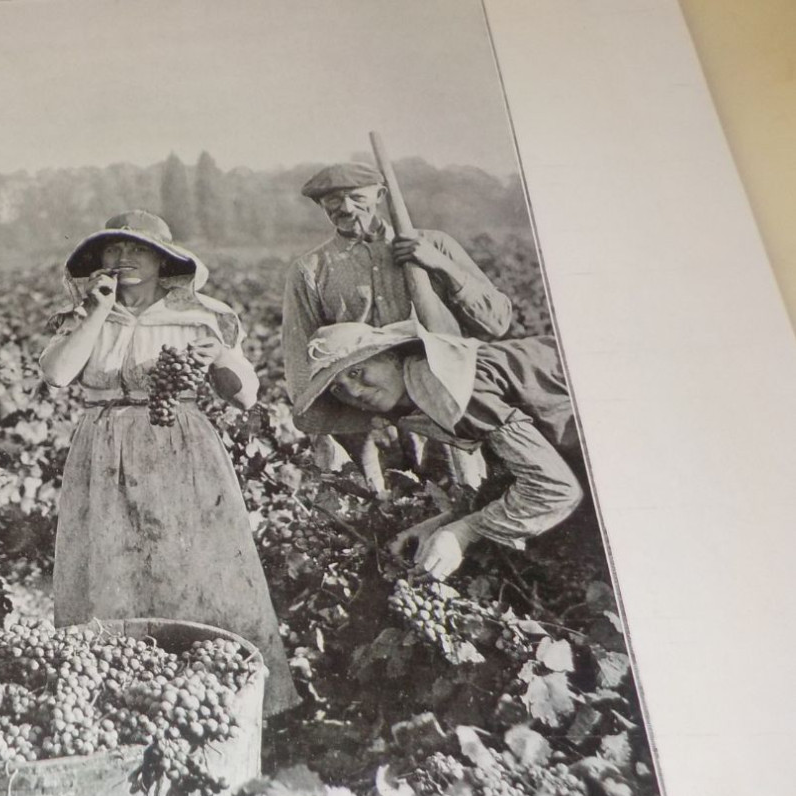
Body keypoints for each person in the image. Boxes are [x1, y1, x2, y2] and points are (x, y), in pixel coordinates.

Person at [40, 211, 299, 717]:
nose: (123, 260)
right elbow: (58, 374)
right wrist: (97, 311)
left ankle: (226, 701)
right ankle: (121, 701)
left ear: (163, 261)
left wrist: (220, 357)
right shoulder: (83, 317)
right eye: (112, 252)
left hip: (179, 447)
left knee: (197, 569)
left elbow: (245, 397)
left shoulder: (200, 316)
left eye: (137, 250)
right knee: (111, 571)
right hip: (104, 451)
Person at [290, 319, 583, 580]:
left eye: (356, 372)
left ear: (391, 356)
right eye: (338, 389)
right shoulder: (418, 392)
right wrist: (447, 520)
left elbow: (555, 487)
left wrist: (466, 531)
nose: (353, 392)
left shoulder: (447, 387)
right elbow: (513, 467)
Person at [282, 162, 514, 490]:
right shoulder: (309, 270)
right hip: (369, 425)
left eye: (355, 197)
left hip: (453, 404)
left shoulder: (435, 245)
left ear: (380, 195)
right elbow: (300, 363)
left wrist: (441, 265)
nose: (345, 208)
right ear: (321, 206)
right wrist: (351, 423)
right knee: (386, 517)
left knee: (470, 496)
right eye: (332, 201)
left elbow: (497, 322)